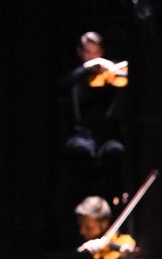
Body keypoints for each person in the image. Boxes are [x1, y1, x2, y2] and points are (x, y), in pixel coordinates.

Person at [59, 32, 127, 203]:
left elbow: (125, 78)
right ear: (80, 53)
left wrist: (110, 70)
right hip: (82, 135)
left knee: (115, 151)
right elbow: (61, 84)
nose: (93, 57)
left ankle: (116, 199)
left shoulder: (108, 75)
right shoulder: (76, 77)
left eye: (96, 53)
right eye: (88, 53)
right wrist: (86, 68)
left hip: (106, 135)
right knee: (80, 152)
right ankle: (80, 202)